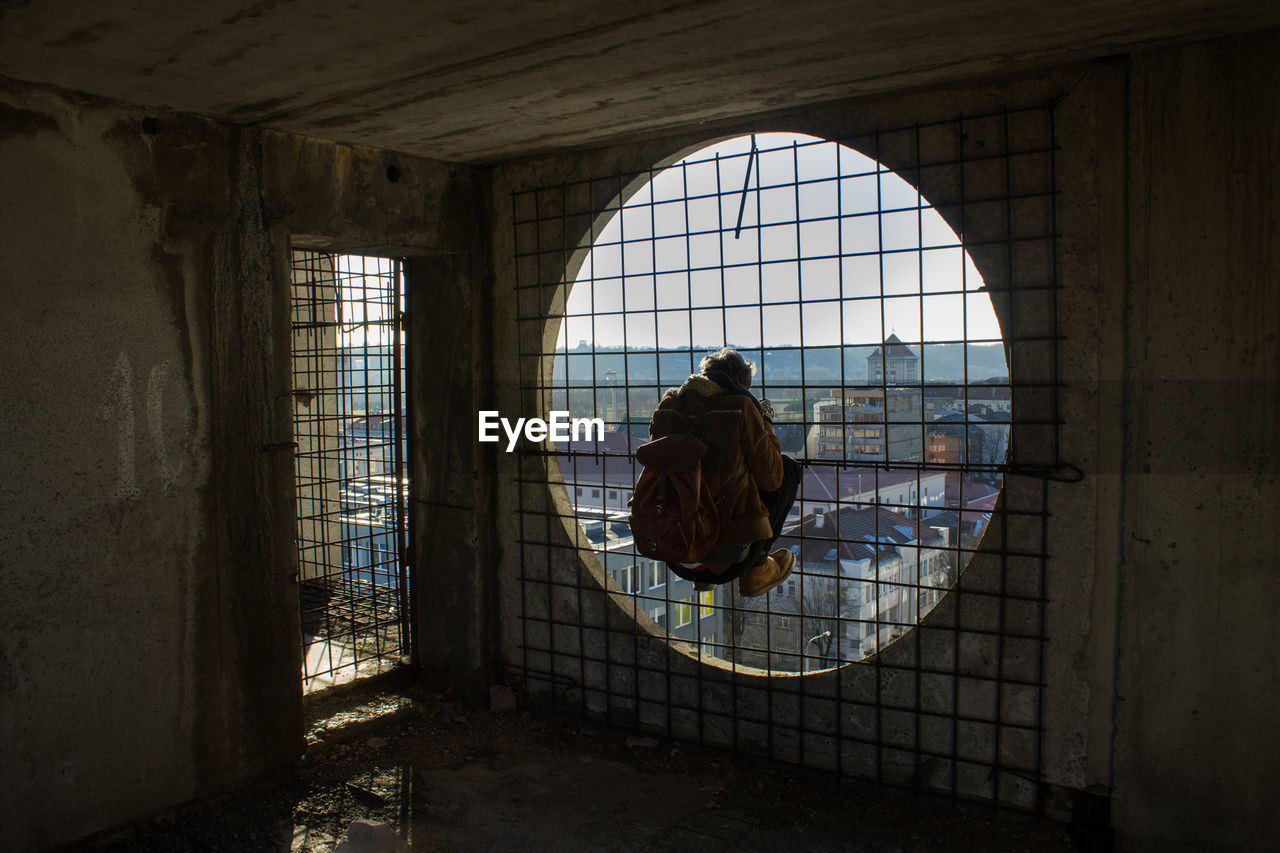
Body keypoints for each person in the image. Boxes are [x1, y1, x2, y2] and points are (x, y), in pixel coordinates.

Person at [647, 347, 802, 597]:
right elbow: (772, 480)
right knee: (787, 470)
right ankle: (758, 570)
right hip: (729, 559)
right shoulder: (741, 406)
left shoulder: (668, 406)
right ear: (742, 383)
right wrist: (766, 422)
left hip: (671, 549)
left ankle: (702, 582)